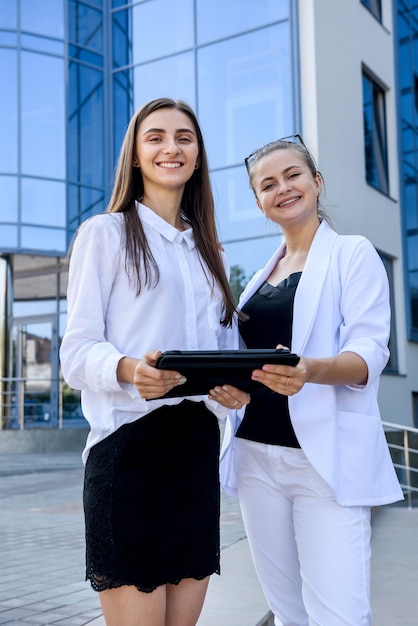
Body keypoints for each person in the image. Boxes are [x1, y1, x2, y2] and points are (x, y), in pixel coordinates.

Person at [210, 135, 404, 626]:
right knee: (287, 611)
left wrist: (310, 370)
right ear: (259, 203)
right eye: (268, 184)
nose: (283, 188)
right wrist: (228, 387)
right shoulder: (256, 279)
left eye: (293, 175)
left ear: (316, 182)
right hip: (256, 457)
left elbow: (368, 354)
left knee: (338, 615)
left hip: (323, 463)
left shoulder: (352, 254)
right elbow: (244, 362)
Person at [59, 97, 238, 626]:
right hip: (129, 455)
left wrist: (235, 385)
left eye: (184, 137)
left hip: (196, 456)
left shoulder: (212, 253)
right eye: (155, 137)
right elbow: (76, 353)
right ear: (135, 156)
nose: (171, 147)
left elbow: (220, 355)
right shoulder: (106, 234)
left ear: (198, 155)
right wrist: (128, 369)